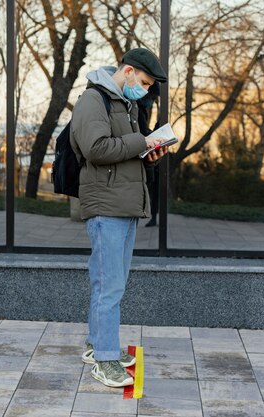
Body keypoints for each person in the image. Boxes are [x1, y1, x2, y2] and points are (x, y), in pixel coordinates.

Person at [70, 48, 168, 387]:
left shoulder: (124, 103)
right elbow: (96, 149)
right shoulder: (93, 100)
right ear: (127, 71)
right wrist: (142, 138)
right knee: (108, 286)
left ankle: (98, 344)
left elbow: (123, 151)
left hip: (123, 204)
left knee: (110, 283)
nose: (143, 89)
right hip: (105, 206)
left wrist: (150, 153)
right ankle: (105, 360)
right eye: (141, 82)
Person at [137, 82, 161, 227]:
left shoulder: (141, 109)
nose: (151, 101)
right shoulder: (138, 110)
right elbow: (142, 135)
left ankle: (152, 215)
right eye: (152, 97)